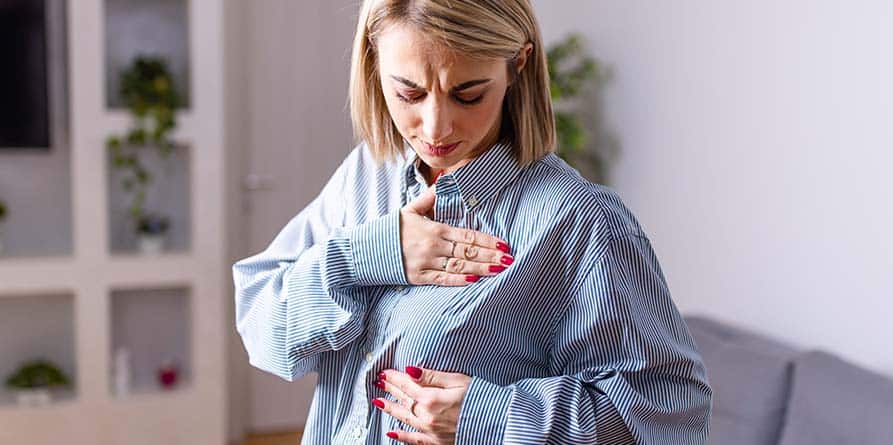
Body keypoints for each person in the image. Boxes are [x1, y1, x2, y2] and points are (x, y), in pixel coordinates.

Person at [233, 0, 712, 443]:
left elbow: (671, 415)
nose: (435, 127)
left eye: (468, 94)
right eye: (409, 93)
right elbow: (264, 333)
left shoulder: (579, 221)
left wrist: (491, 417)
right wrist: (361, 256)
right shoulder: (367, 174)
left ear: (517, 65)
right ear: (374, 63)